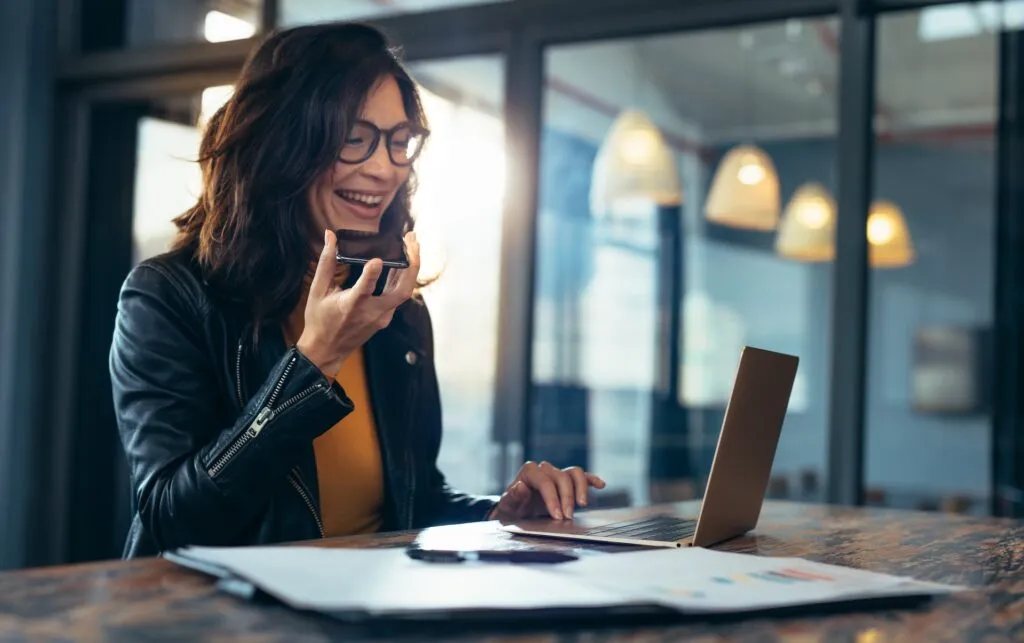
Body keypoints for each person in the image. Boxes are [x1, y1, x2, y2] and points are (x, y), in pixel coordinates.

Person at [109, 22, 604, 558]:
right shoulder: (167, 297)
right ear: (281, 144)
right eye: (354, 139)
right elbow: (173, 518)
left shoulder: (398, 313)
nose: (384, 168)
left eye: (399, 142)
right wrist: (316, 358)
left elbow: (412, 501)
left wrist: (499, 513)